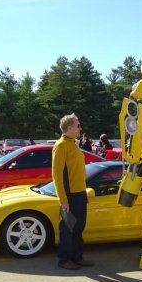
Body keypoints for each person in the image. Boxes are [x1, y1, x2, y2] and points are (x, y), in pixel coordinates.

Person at [52, 113, 94, 270]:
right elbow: (56, 175)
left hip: (79, 194)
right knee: (68, 229)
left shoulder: (72, 144)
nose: (80, 128)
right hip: (69, 196)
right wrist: (63, 199)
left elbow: (77, 172)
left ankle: (77, 257)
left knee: (78, 228)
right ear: (69, 128)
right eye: (78, 125)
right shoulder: (61, 145)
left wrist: (83, 193)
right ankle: (64, 260)